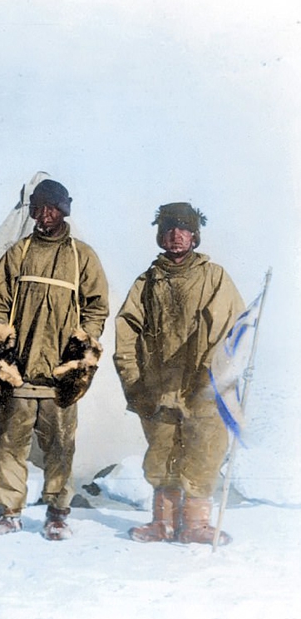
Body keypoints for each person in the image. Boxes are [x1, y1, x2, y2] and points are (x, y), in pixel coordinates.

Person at [0, 178, 109, 539]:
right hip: (19, 371)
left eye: (53, 207)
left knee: (61, 445)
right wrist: (2, 344)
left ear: (64, 210)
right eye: (40, 207)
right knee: (9, 443)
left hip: (60, 373)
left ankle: (57, 513)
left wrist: (83, 343)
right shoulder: (18, 253)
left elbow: (98, 306)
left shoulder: (81, 256)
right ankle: (9, 511)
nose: (46, 214)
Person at [114, 202, 244, 545]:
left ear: (195, 236)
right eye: (169, 228)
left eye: (183, 228)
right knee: (161, 452)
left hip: (202, 386)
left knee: (205, 451)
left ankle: (196, 524)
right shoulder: (146, 282)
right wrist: (133, 379)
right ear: (160, 235)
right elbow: (126, 331)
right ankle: (163, 522)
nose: (176, 235)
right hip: (158, 387)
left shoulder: (214, 277)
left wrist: (213, 375)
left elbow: (232, 329)